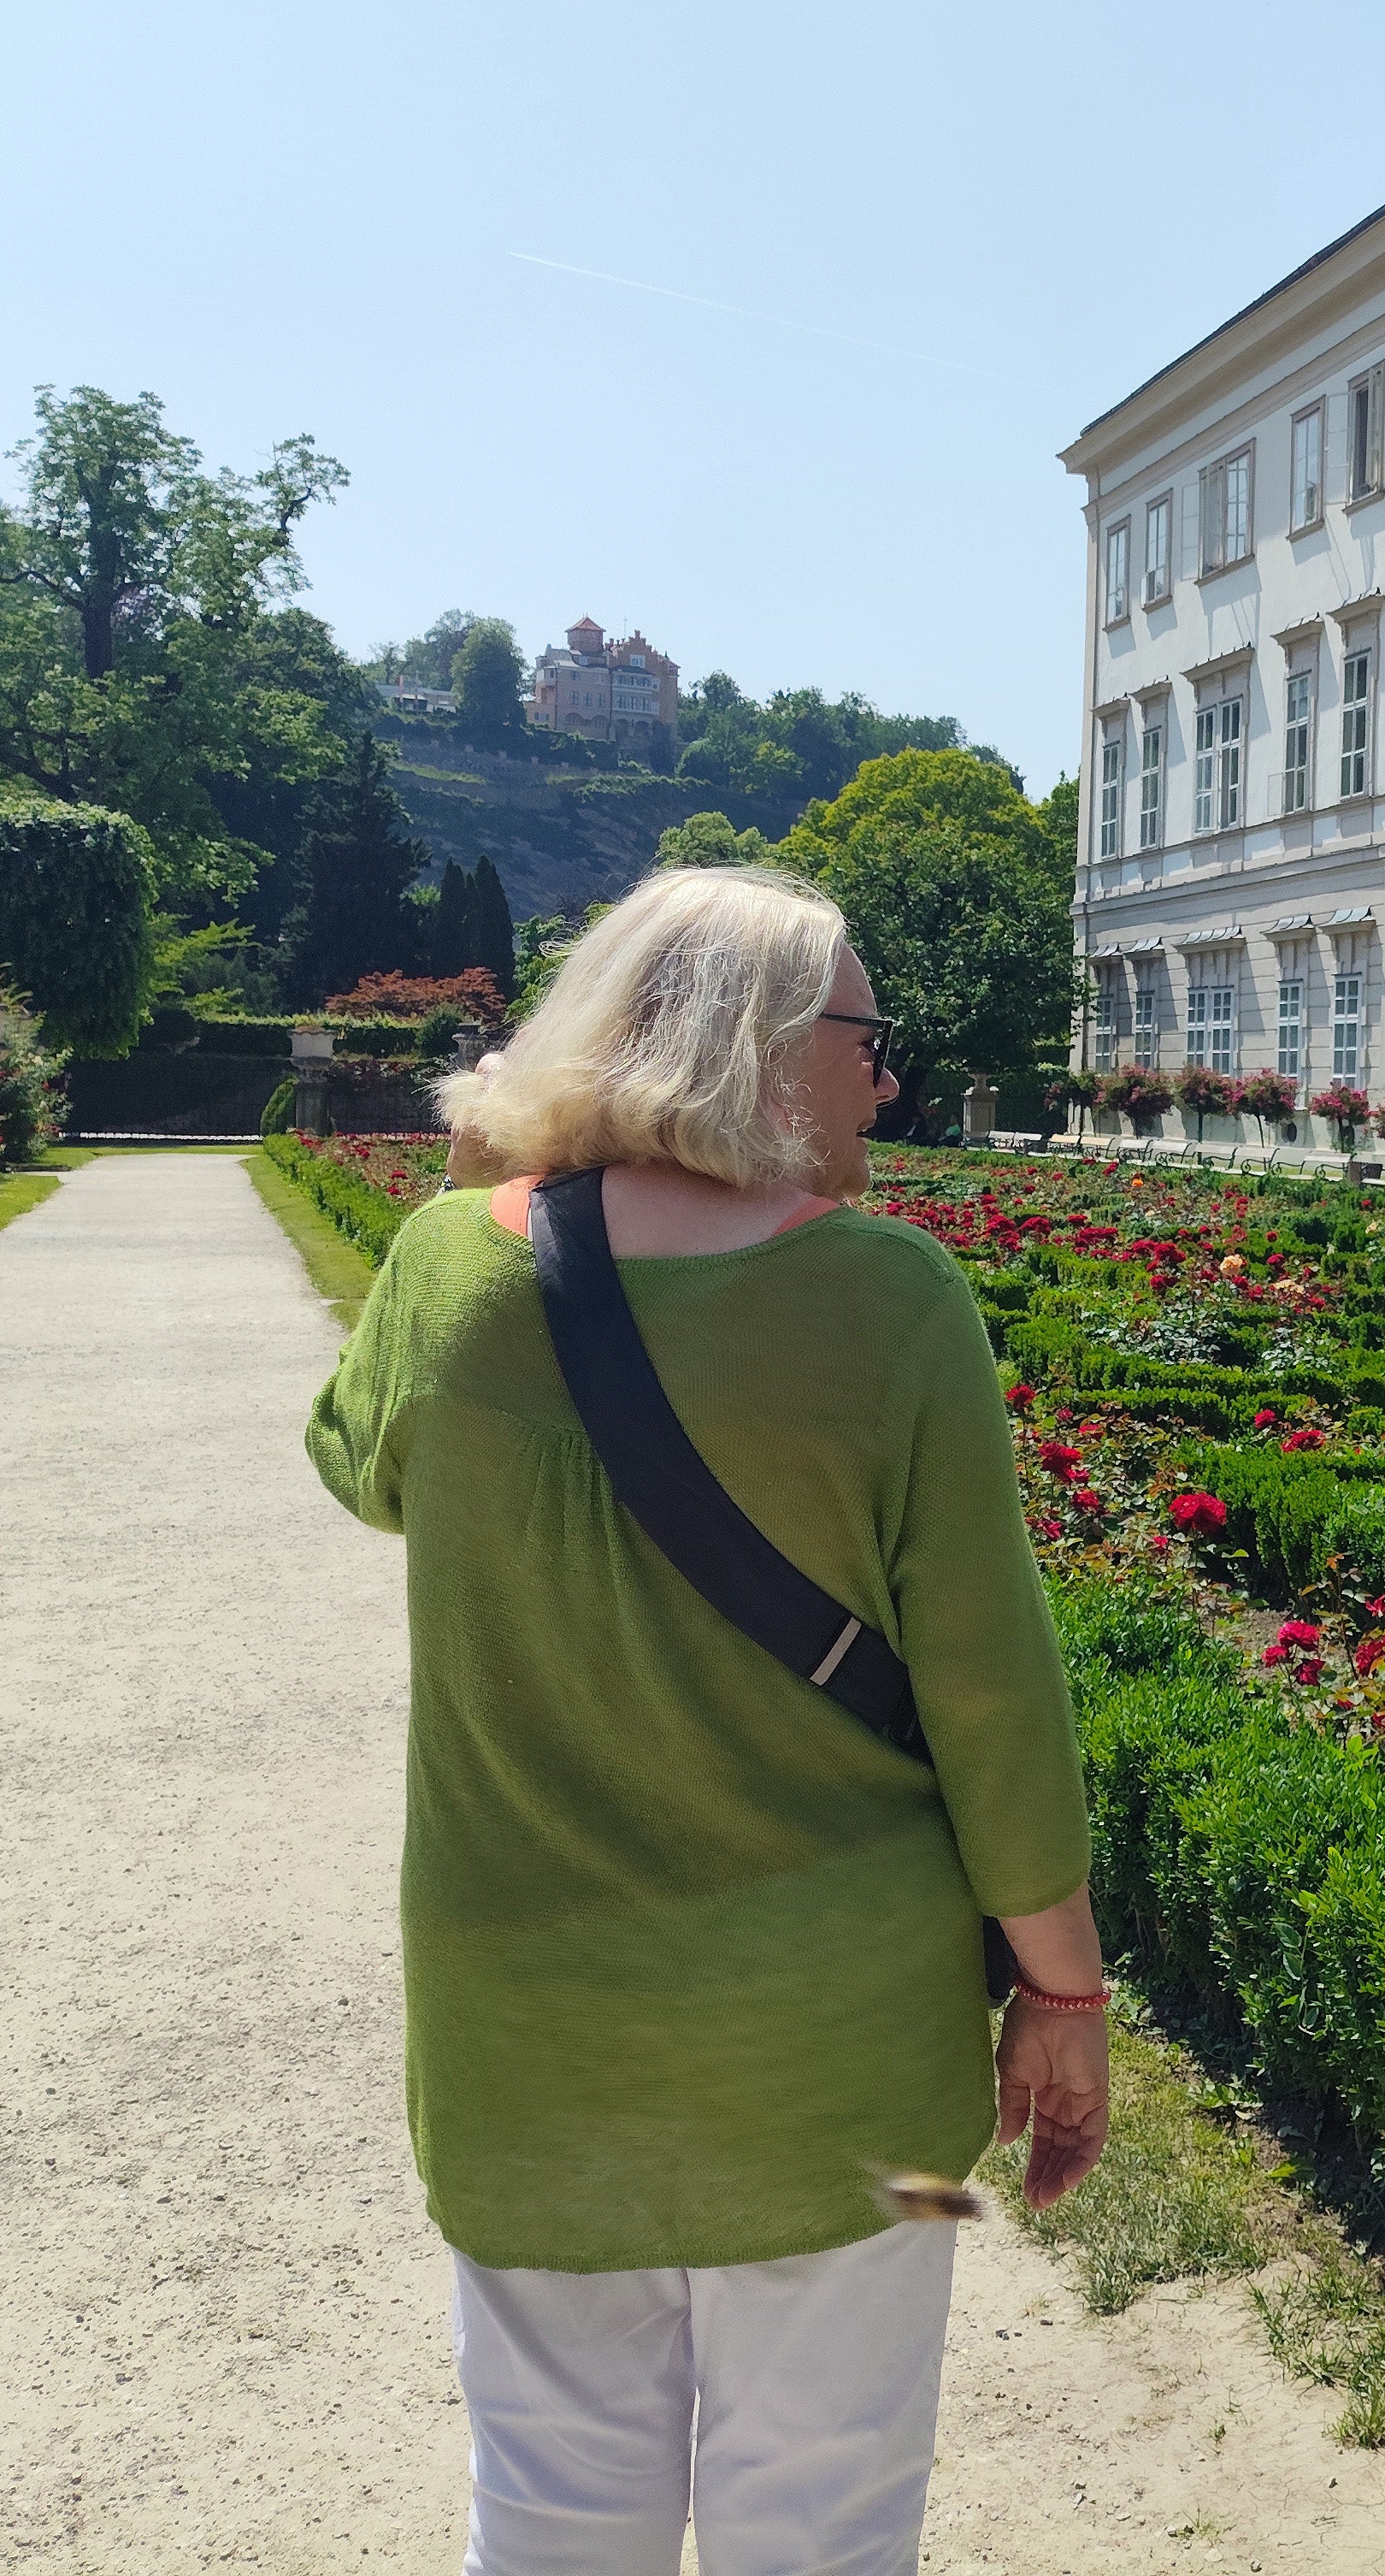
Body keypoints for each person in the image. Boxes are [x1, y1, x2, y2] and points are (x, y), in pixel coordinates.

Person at [306, 864, 1105, 2575]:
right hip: (841, 2054)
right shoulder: (890, 1298)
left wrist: (477, 1191)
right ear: (753, 1043)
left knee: (545, 2513)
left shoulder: (446, 1263)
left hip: (524, 2036)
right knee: (822, 2521)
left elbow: (357, 1466)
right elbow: (988, 1692)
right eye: (866, 1036)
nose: (886, 1077)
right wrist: (1062, 1989)